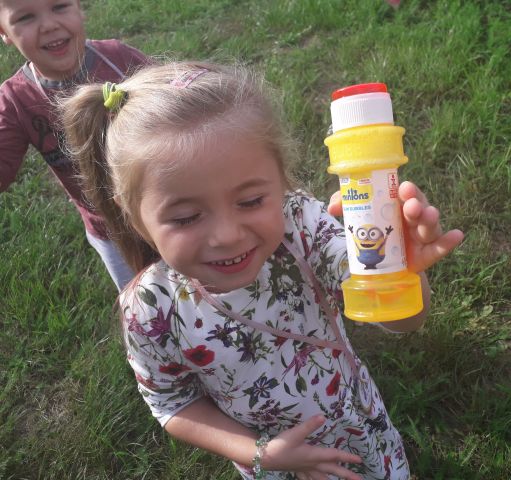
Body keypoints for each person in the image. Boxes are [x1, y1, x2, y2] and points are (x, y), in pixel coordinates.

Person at [59, 60, 464, 479]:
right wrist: (262, 454)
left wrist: (399, 271)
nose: (228, 235)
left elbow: (403, 323)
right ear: (135, 218)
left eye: (251, 201)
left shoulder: (302, 228)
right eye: (185, 218)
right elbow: (173, 404)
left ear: (282, 180)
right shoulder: (149, 310)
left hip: (359, 429)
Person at [0, 0, 150, 290]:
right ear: (4, 32)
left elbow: (177, 102)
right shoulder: (15, 100)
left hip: (168, 206)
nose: (49, 25)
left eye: (59, 6)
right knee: (142, 299)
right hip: (110, 232)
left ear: (79, 7)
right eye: (26, 17)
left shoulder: (118, 59)